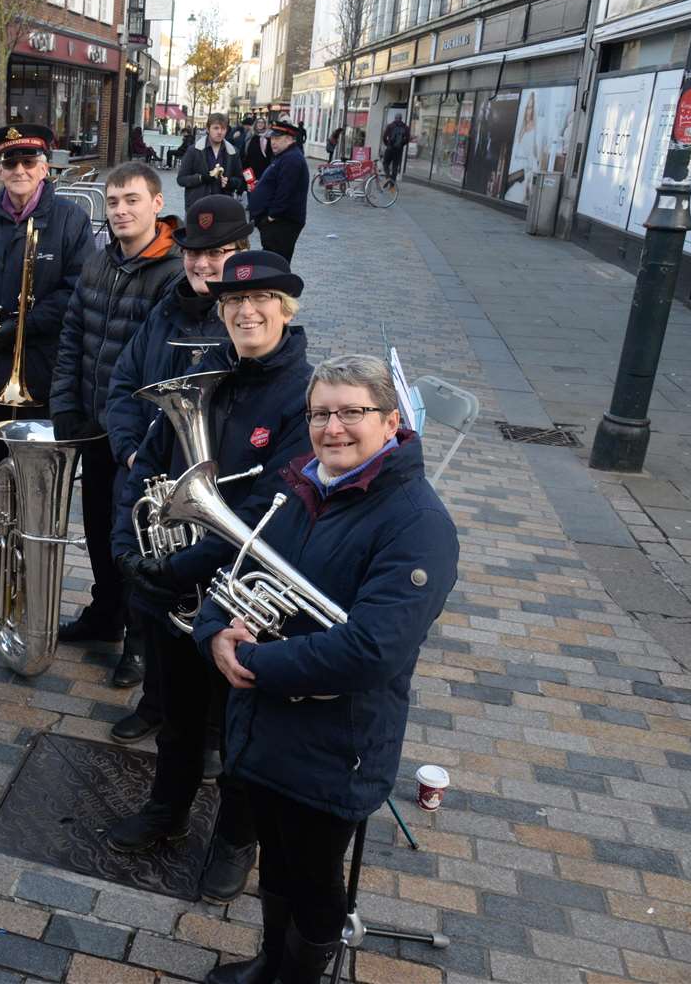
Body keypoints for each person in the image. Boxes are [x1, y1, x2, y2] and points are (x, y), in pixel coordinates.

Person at [195, 354, 458, 984]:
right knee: (278, 862)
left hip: (338, 740)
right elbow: (237, 572)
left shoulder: (419, 525)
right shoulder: (301, 487)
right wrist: (213, 635)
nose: (332, 428)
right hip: (265, 722)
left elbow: (372, 650)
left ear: (391, 422)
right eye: (320, 414)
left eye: (351, 413)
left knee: (314, 876)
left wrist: (252, 659)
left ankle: (298, 978)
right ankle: (270, 965)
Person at [109, 250, 311, 911]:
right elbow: (151, 462)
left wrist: (180, 567)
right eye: (233, 304)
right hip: (177, 587)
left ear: (286, 310)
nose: (246, 313)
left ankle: (234, 838)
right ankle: (166, 807)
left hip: (242, 593)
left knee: (241, 725)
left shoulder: (302, 396)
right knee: (177, 711)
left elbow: (270, 511)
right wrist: (127, 546)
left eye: (261, 303)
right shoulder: (207, 374)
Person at [100, 195, 250, 745]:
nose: (203, 264)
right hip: (152, 480)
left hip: (215, 495)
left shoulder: (244, 315)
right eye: (193, 253)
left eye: (218, 253)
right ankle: (156, 702)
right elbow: (122, 386)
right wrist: (130, 450)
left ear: (240, 253)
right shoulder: (164, 310)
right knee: (154, 600)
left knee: (211, 604)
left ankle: (209, 727)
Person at [49, 162, 183, 689]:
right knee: (100, 530)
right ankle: (105, 612)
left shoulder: (172, 271)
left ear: (156, 203)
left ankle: (138, 641)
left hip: (138, 437)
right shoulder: (98, 263)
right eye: (112, 202)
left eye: (131, 200)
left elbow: (162, 363)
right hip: (91, 422)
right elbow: (72, 336)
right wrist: (64, 404)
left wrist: (141, 437)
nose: (121, 210)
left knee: (137, 541)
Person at [0, 124, 89, 518]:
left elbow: (77, 290)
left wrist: (27, 323)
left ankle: (31, 566)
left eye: (29, 161)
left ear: (45, 168)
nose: (20, 170)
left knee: (35, 485)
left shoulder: (70, 220)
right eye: (11, 162)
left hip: (42, 372)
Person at [248, 120, 309, 262]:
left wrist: (271, 217)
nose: (273, 142)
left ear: (289, 139)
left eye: (277, 138)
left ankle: (277, 285)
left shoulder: (291, 158)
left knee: (276, 263)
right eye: (272, 138)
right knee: (272, 261)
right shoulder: (285, 156)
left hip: (282, 223)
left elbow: (285, 191)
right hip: (278, 223)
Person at [176, 113, 244, 215]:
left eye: (223, 128)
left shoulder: (233, 152)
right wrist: (201, 178)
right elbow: (181, 179)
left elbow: (239, 180)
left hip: (222, 208)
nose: (220, 132)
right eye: (216, 128)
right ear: (208, 129)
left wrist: (230, 182)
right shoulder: (194, 150)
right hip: (197, 207)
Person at [242, 115, 271, 186]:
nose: (260, 124)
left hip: (263, 167)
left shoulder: (268, 137)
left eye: (262, 123)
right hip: (250, 167)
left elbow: (270, 154)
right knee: (250, 188)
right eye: (258, 122)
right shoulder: (251, 135)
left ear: (265, 124)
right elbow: (245, 151)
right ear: (256, 124)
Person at [382, 113, 410, 182]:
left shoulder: (390, 126)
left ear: (395, 118)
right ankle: (392, 184)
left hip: (389, 149)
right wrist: (401, 145)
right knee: (395, 166)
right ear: (401, 118)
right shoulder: (405, 127)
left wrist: (387, 144)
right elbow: (407, 139)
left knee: (385, 163)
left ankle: (388, 177)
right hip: (398, 150)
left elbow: (384, 137)